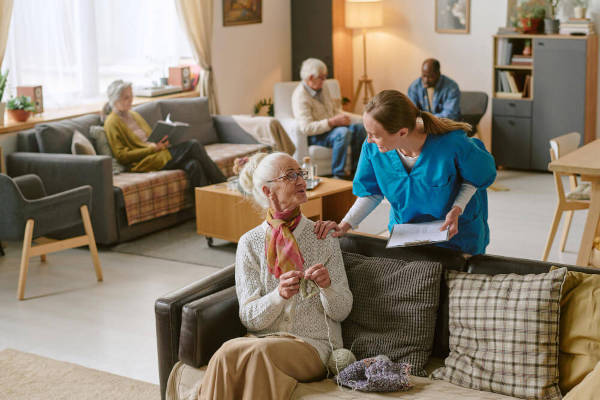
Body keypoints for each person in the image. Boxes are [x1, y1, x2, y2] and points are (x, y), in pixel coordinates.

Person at [198, 152, 352, 400]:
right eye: (291, 176)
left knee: (256, 353)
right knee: (226, 352)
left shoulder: (322, 237)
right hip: (262, 341)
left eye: (300, 173)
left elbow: (342, 310)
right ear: (268, 191)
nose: (302, 181)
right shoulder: (249, 243)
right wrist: (278, 296)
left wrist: (327, 287)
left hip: (313, 346)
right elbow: (249, 318)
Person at [314, 90, 496, 255]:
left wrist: (456, 210)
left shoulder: (452, 144)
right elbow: (371, 193)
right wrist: (345, 224)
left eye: (375, 134)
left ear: (402, 132)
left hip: (455, 234)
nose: (369, 140)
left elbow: (475, 178)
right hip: (407, 235)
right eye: (367, 132)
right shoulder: (374, 148)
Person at [103, 80, 225, 188]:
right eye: (126, 97)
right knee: (193, 145)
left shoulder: (133, 114)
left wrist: (162, 141)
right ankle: (223, 184)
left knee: (194, 165)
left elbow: (150, 137)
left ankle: (204, 208)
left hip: (158, 153)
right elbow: (122, 155)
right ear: (115, 99)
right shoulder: (112, 122)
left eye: (131, 96)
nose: (131, 100)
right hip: (143, 162)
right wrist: (152, 148)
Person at [291, 58, 366, 179]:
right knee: (343, 132)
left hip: (332, 129)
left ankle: (357, 171)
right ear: (311, 78)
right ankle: (338, 175)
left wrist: (345, 118)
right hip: (316, 135)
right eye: (321, 77)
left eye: (325, 76)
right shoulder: (300, 97)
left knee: (360, 128)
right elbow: (307, 128)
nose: (324, 80)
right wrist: (332, 122)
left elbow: (333, 110)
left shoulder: (323, 87)